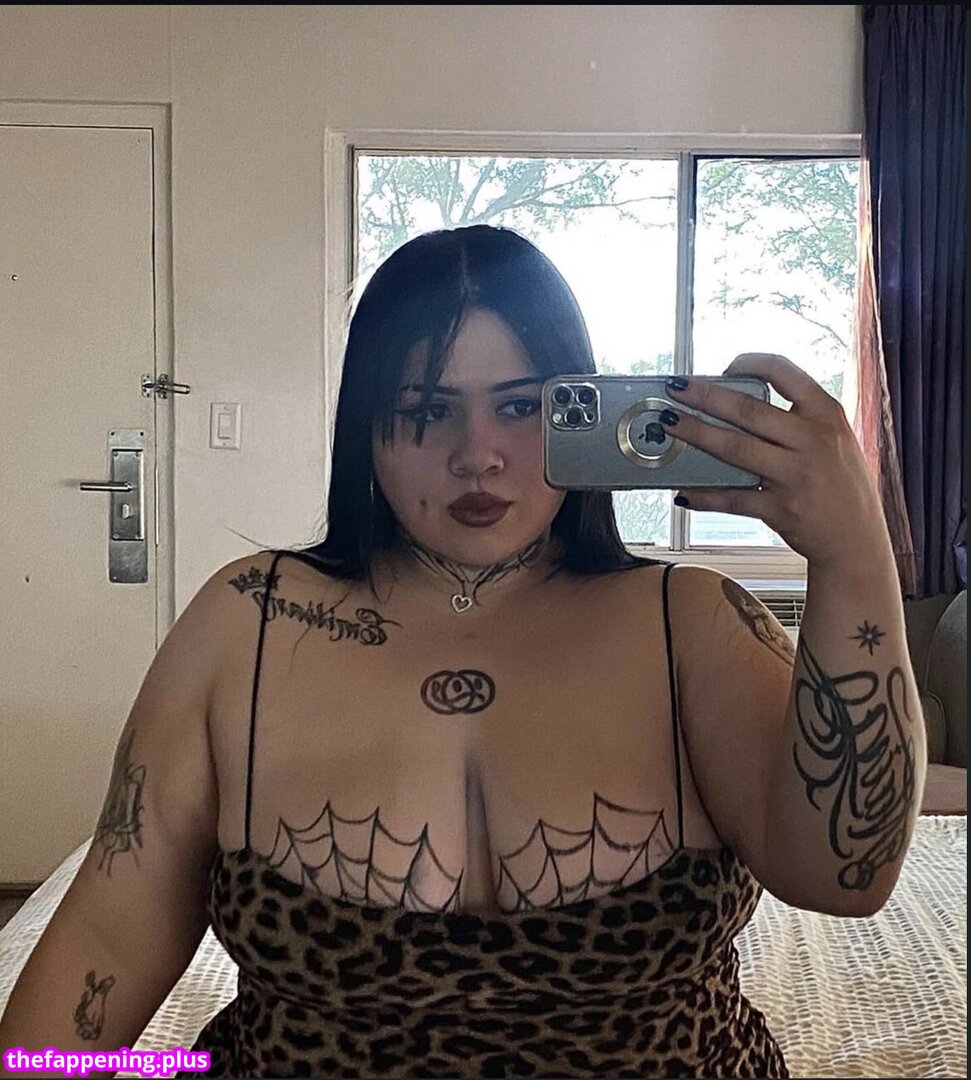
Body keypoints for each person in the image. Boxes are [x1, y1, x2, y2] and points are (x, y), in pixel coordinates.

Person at [0, 225, 926, 1078]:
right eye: (425, 409)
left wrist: (853, 553)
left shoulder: (689, 621)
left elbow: (844, 874)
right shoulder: (248, 620)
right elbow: (106, 941)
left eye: (520, 406)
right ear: (364, 428)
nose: (476, 454)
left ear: (578, 409)